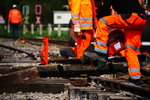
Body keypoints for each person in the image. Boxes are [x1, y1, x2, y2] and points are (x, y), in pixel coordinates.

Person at [85, 0, 147, 85]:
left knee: (102, 22)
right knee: (130, 49)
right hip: (141, 19)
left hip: (131, 18)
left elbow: (105, 10)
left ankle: (101, 54)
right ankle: (135, 78)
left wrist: (99, 21)